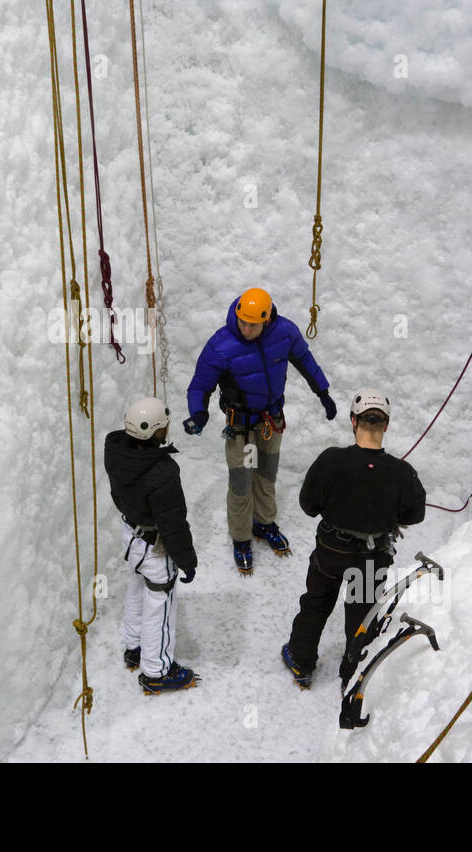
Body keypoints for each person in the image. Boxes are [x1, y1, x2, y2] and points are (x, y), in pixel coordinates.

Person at [182, 287, 337, 574]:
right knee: (241, 482)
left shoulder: (285, 333)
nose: (246, 328)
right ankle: (241, 537)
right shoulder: (222, 345)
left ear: (266, 320)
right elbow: (200, 385)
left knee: (266, 475)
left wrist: (323, 393)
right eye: (242, 321)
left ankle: (264, 523)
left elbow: (305, 361)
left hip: (270, 420)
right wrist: (198, 414)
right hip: (239, 425)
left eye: (252, 324)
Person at [281, 388, 426, 690]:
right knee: (362, 613)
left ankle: (301, 660)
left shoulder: (331, 461)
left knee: (317, 603)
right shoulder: (401, 472)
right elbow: (415, 514)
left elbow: (308, 506)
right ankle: (353, 671)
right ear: (385, 425)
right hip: (372, 557)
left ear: (353, 421)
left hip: (331, 551)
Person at [104, 397, 199, 693]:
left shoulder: (116, 451)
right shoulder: (162, 473)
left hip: (130, 535)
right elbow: (173, 524)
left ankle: (134, 647)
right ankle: (156, 670)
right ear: (156, 431)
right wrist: (187, 560)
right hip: (154, 547)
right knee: (161, 602)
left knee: (136, 587)